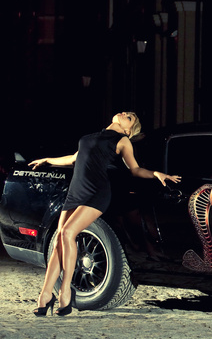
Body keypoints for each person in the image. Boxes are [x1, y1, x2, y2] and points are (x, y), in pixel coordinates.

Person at [28, 112, 181, 316]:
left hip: (96, 193)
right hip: (76, 191)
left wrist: (156, 174)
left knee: (67, 233)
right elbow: (75, 159)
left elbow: (134, 169)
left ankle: (66, 292)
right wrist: (48, 160)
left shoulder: (123, 140)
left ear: (129, 129)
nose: (125, 114)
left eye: (130, 117)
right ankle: (46, 294)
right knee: (58, 242)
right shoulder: (90, 137)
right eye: (126, 112)